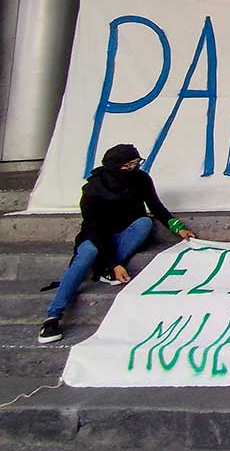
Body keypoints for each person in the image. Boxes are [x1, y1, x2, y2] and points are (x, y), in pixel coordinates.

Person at [37, 144, 195, 344]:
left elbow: (156, 206)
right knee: (85, 256)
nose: (134, 168)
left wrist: (177, 227)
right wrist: (113, 263)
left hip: (125, 233)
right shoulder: (92, 190)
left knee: (144, 223)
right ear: (115, 168)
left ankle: (104, 270)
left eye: (137, 163)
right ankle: (53, 317)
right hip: (96, 237)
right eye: (129, 165)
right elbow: (94, 229)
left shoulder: (141, 179)